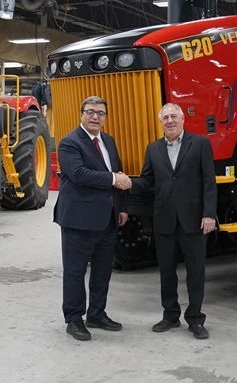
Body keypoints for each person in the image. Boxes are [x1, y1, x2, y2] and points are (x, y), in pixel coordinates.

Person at [128, 103, 217, 340]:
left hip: (193, 219)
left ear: (182, 119)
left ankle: (195, 319)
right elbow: (147, 180)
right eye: (165, 117)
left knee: (195, 272)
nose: (170, 121)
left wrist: (209, 214)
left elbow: (209, 182)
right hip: (164, 220)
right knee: (167, 272)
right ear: (161, 122)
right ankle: (170, 316)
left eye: (173, 116)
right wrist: (128, 183)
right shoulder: (153, 149)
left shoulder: (200, 144)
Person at [53, 95, 132, 341]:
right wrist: (113, 179)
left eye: (100, 113)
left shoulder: (108, 141)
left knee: (102, 271)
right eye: (90, 112)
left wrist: (121, 207)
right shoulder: (69, 142)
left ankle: (96, 314)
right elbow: (78, 174)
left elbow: (116, 171)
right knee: (75, 272)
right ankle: (74, 319)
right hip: (78, 220)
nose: (95, 117)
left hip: (107, 218)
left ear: (105, 117)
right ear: (81, 114)